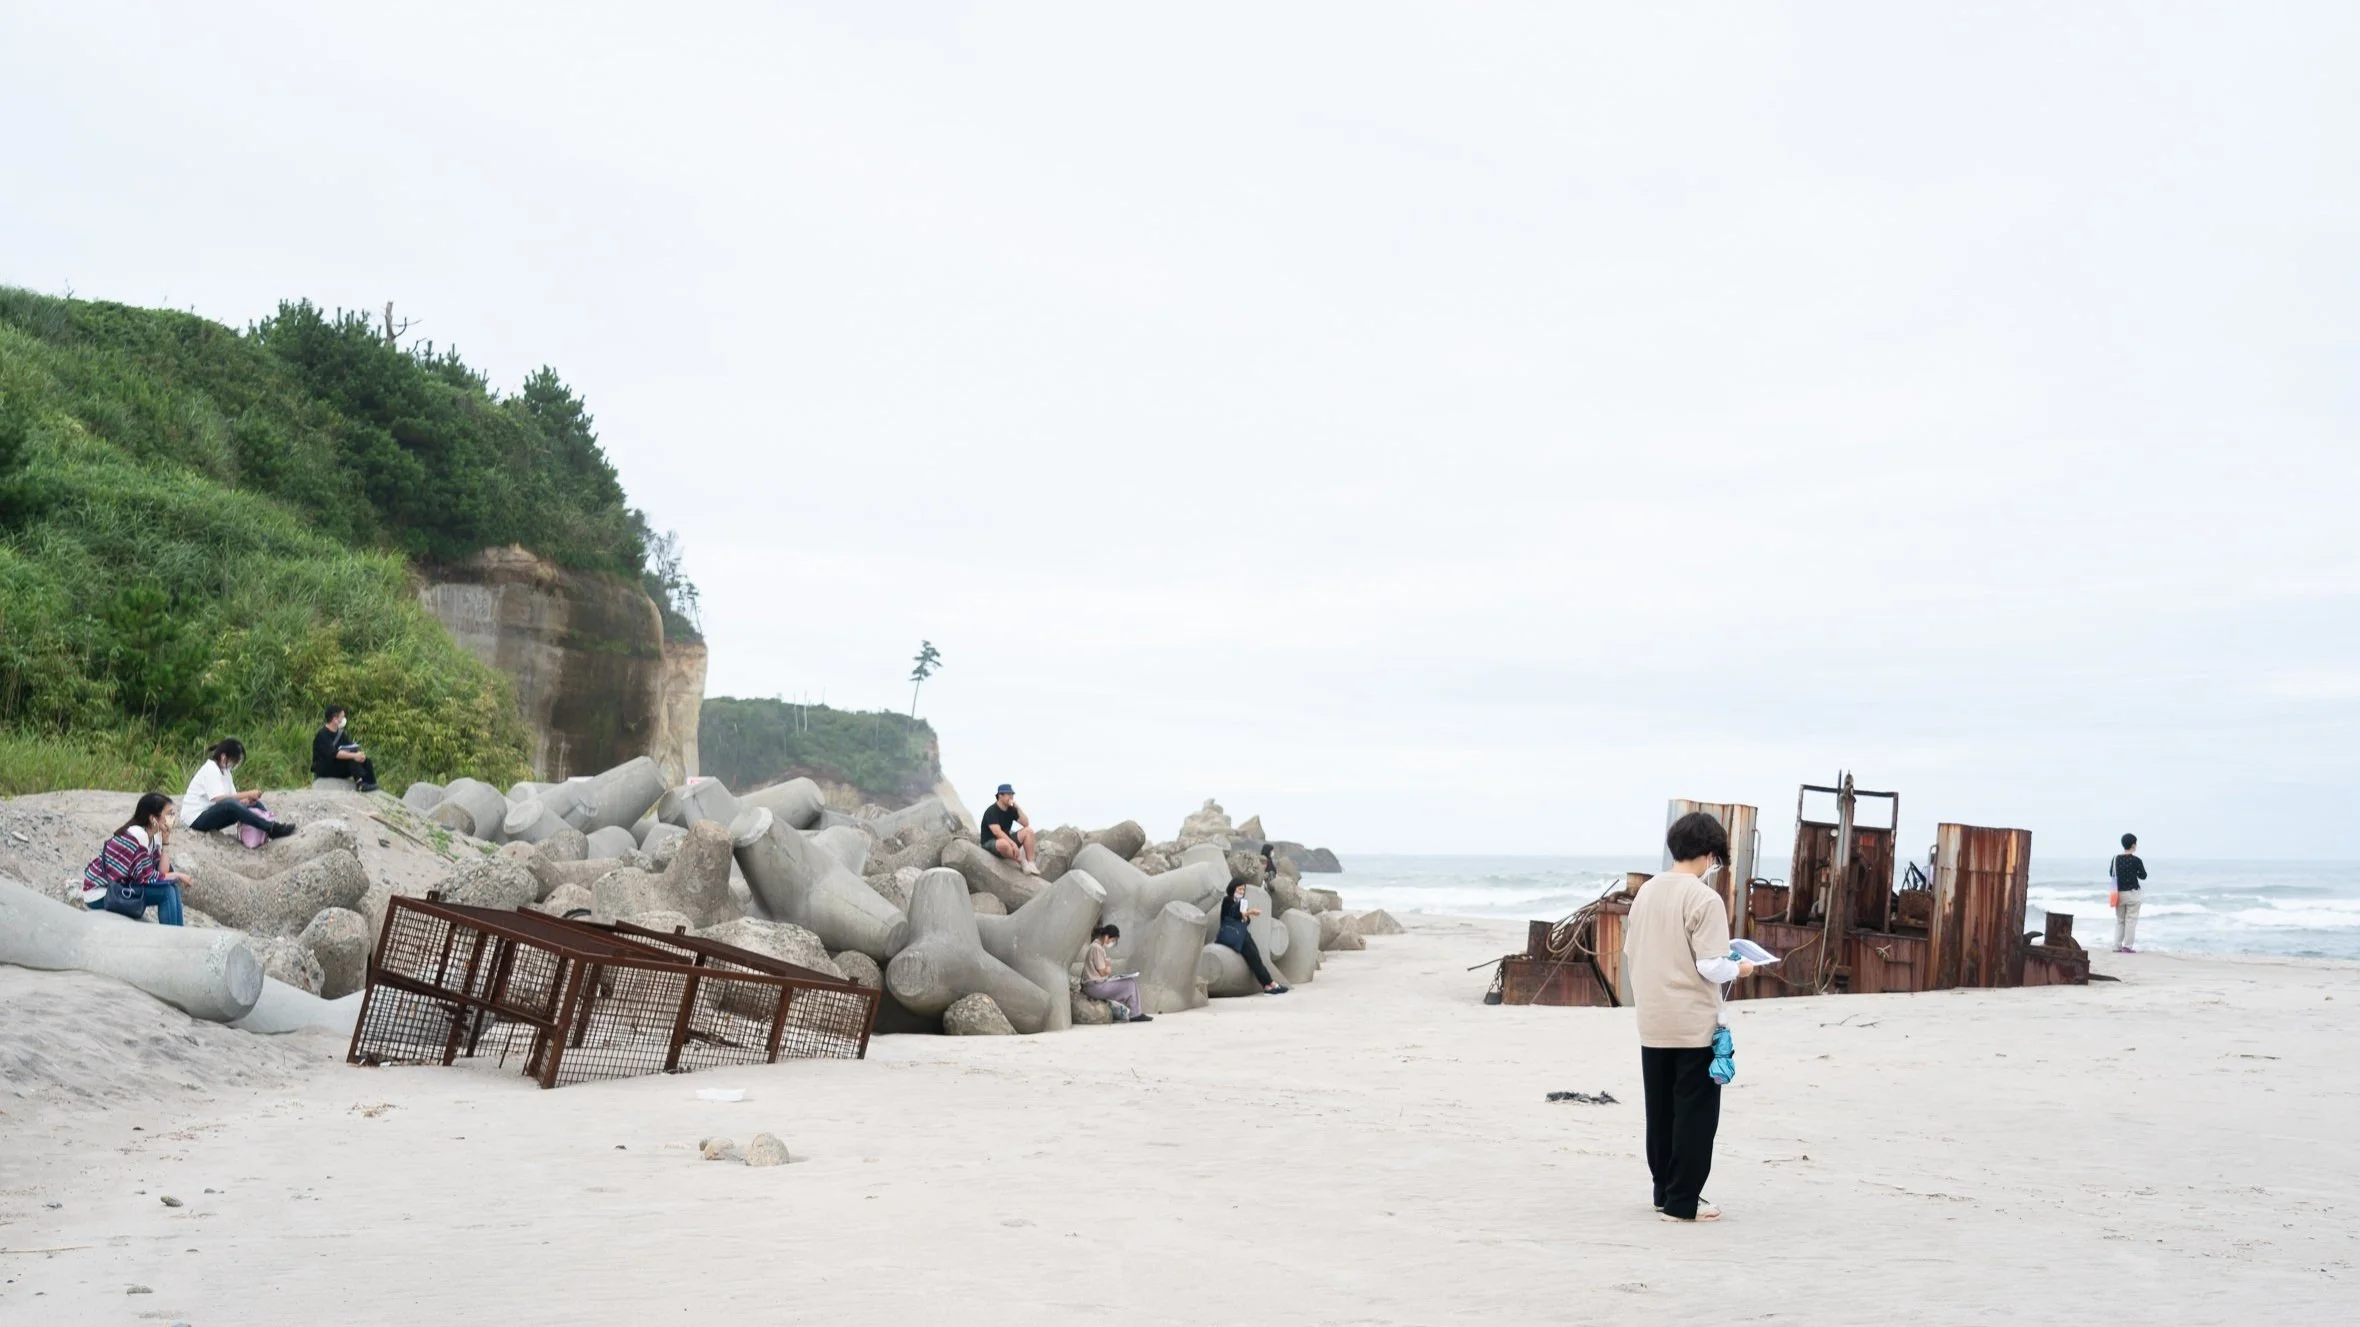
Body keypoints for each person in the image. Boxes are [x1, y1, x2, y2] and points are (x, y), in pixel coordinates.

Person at [1622, 810, 1757, 1223]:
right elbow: (1711, 966)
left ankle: (1664, 1193)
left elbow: (1631, 952)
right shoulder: (1703, 897)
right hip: (1693, 1025)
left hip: (1653, 1019)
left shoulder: (1645, 892)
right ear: (1708, 854)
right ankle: (1683, 1202)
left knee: (1660, 1114)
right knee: (1695, 1117)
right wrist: (1742, 968)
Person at [82, 792, 191, 926]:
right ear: (153, 819)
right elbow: (148, 878)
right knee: (166, 892)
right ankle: (172, 936)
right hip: (102, 892)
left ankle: (178, 935)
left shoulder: (153, 836)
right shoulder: (138, 835)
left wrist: (166, 842)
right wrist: (178, 875)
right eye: (169, 814)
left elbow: (162, 872)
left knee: (172, 886)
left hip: (119, 888)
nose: (173, 818)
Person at [181, 738, 294, 838]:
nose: (234, 765)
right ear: (223, 757)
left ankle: (272, 823)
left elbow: (234, 799)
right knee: (230, 804)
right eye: (234, 761)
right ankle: (270, 828)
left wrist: (247, 800)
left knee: (253, 803)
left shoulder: (225, 772)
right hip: (195, 819)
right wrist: (247, 793)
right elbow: (220, 799)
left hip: (210, 813)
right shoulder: (210, 769)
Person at [1215, 879, 1287, 994]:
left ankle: (1268, 984)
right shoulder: (1227, 900)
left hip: (1242, 933)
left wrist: (1246, 916)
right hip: (1233, 934)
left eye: (1243, 889)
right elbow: (1232, 915)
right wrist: (1249, 912)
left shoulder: (1242, 902)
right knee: (1254, 958)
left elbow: (1245, 921)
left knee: (1256, 956)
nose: (1241, 891)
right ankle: (1269, 983)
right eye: (1239, 889)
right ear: (1233, 888)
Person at [1079, 924, 1150, 1023]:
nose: (1112, 943)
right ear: (1106, 937)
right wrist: (1108, 966)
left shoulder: (1097, 947)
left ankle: (1136, 1013)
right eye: (1112, 940)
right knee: (1129, 983)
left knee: (1131, 982)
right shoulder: (1096, 948)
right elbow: (1103, 972)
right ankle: (1135, 1014)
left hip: (1095, 985)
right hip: (1094, 987)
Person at [311, 704, 379, 792]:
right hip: (325, 768)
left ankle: (370, 783)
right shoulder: (322, 735)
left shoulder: (341, 734)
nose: (343, 719)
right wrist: (354, 756)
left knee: (365, 760)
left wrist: (359, 755)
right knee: (351, 758)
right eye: (342, 717)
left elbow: (350, 746)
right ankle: (360, 785)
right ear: (335, 719)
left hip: (337, 765)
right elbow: (334, 754)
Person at [980, 784, 1038, 875]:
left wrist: (1018, 808)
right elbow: (997, 832)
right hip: (990, 842)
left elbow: (1025, 823)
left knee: (1028, 831)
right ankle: (1021, 861)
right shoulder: (991, 811)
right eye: (1008, 794)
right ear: (1000, 795)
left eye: (1012, 794)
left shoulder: (1011, 810)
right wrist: (1013, 844)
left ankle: (1031, 863)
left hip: (1007, 840)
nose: (1011, 797)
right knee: (1004, 843)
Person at [2109, 833, 2148, 954]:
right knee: (2131, 920)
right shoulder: (2136, 860)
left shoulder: (2116, 858)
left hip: (2118, 894)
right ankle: (2128, 947)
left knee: (2120, 920)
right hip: (2132, 894)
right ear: (2133, 845)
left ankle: (2116, 946)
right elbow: (2143, 876)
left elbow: (2111, 873)